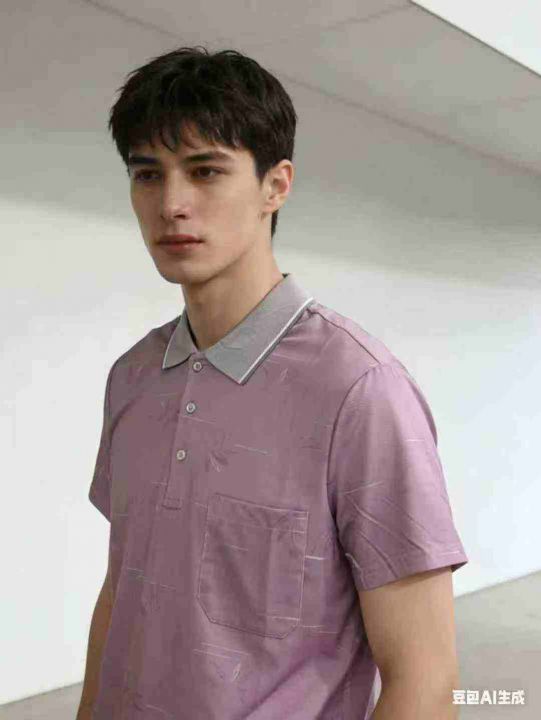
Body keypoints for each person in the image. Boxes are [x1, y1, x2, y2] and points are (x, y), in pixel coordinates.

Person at [78, 46, 468, 720]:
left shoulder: (359, 390)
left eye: (205, 171)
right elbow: (123, 587)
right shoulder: (133, 377)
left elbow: (426, 680)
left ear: (275, 185)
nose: (171, 204)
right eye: (147, 174)